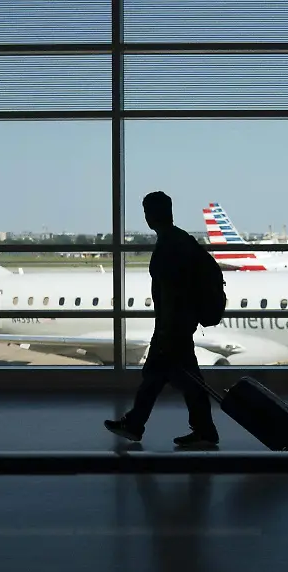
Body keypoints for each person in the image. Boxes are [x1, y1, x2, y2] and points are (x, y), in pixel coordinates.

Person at [105, 191, 220, 449]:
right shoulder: (181, 240)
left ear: (153, 215)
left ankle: (137, 425)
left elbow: (172, 294)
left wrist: (167, 330)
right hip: (179, 324)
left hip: (173, 326)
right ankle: (202, 429)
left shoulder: (170, 246)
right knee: (167, 378)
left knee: (162, 377)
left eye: (148, 212)